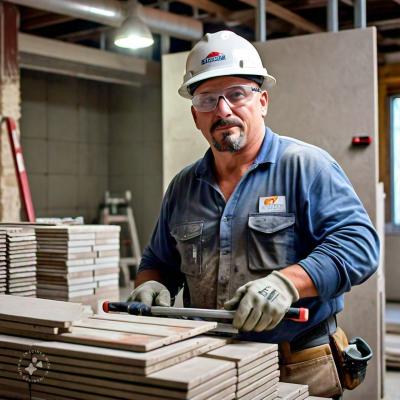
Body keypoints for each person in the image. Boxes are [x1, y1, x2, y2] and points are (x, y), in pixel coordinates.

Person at [128, 30, 379, 397]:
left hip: (296, 365)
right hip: (208, 363)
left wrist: (287, 283)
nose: (222, 110)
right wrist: (151, 285)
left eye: (236, 94)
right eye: (207, 99)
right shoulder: (184, 187)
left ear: (262, 101)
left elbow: (359, 245)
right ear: (195, 114)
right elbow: (159, 260)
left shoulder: (306, 167)